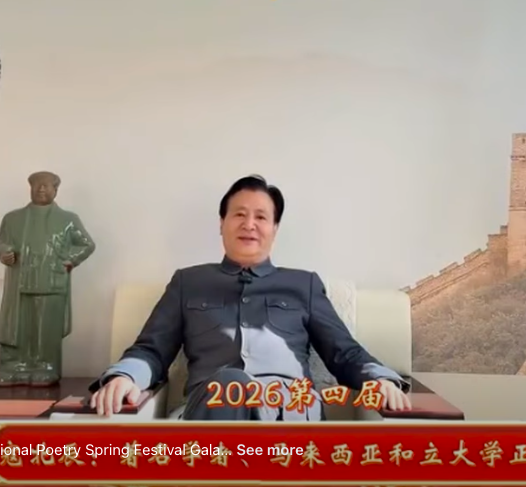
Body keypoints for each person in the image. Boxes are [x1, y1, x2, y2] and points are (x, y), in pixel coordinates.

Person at [90, 174, 411, 420]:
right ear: (222, 223)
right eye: (239, 214)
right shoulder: (188, 282)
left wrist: (380, 380)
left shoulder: (304, 285)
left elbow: (345, 353)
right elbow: (152, 350)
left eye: (261, 217)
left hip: (290, 416)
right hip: (210, 410)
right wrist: (125, 376)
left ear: (275, 228)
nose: (249, 224)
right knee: (231, 384)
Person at [0, 171, 96, 387]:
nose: (41, 189)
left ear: (55, 190)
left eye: (46, 185)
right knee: (17, 328)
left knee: (45, 328)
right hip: (19, 283)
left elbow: (87, 244)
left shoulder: (68, 219)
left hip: (51, 283)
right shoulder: (13, 218)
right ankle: (13, 366)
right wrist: (4, 252)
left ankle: (45, 366)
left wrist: (70, 260)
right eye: (37, 185)